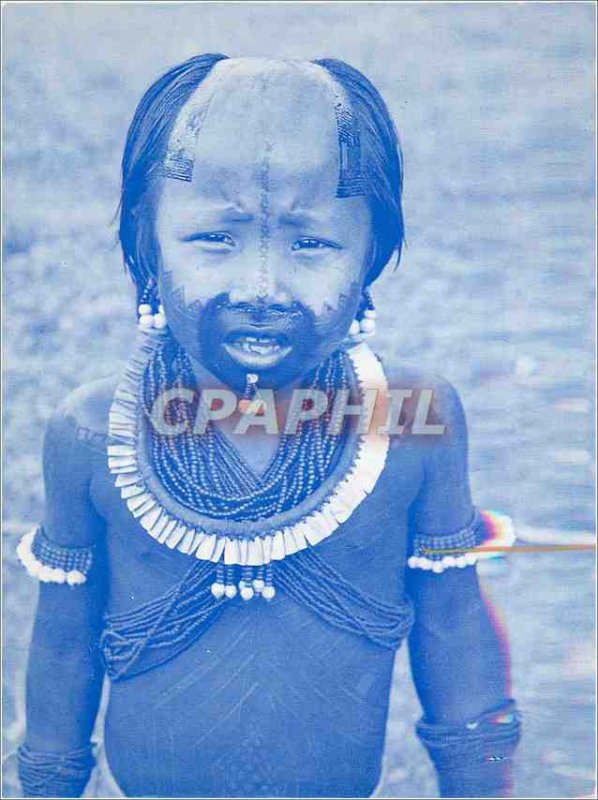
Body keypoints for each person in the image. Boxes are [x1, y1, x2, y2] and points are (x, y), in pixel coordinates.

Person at [15, 55, 521, 798]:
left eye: (311, 244)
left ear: (372, 251)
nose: (262, 287)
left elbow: (452, 627)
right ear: (146, 242)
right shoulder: (96, 433)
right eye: (214, 239)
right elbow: (63, 647)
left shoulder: (411, 422)